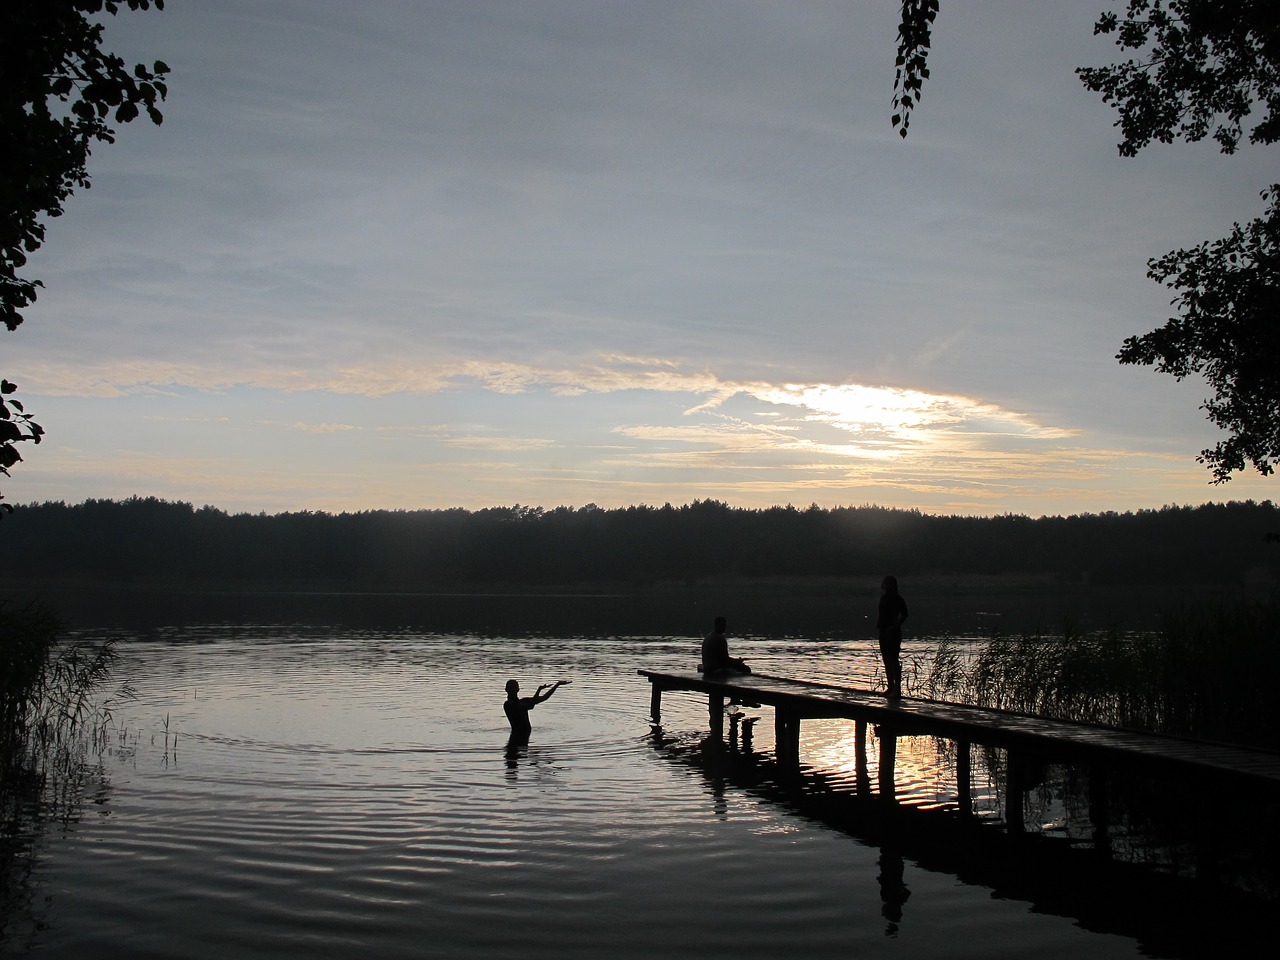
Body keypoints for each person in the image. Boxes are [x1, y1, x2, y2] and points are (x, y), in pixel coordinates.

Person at [503, 678, 570, 739]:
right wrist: (538, 690)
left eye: (514, 687)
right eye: (511, 688)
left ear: (518, 689)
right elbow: (530, 706)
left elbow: (544, 697)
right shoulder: (508, 705)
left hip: (525, 734)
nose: (513, 689)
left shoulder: (523, 701)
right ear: (506, 689)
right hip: (518, 735)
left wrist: (557, 685)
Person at [877, 576, 908, 697]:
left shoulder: (898, 599)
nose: (889, 586)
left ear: (895, 586)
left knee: (894, 659)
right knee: (886, 660)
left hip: (894, 633)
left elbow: (905, 614)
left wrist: (894, 626)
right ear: (883, 585)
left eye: (891, 584)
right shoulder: (883, 598)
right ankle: (890, 687)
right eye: (887, 584)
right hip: (883, 631)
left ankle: (897, 690)